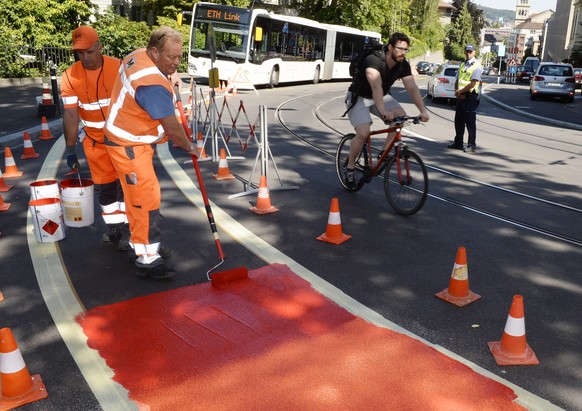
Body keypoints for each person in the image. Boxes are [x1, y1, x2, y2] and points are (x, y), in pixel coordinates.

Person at [104, 26, 197, 279]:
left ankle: (138, 245)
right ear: (154, 52)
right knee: (146, 200)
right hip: (129, 146)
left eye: (179, 57)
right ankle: (148, 260)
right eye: (171, 57)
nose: (176, 63)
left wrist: (169, 74)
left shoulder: (137, 55)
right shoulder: (152, 85)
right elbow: (172, 128)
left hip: (125, 139)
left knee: (136, 198)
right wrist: (190, 147)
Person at [61, 26, 130, 249]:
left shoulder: (118, 67)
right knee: (106, 189)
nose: (85, 57)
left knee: (127, 186)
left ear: (100, 47)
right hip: (95, 144)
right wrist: (70, 149)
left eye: (89, 51)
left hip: (122, 141)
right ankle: (115, 230)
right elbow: (71, 113)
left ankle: (131, 232)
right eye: (80, 53)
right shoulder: (70, 76)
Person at [345, 32, 429, 189]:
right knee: (363, 133)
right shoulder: (374, 60)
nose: (403, 53)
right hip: (360, 97)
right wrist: (383, 111)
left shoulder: (402, 64)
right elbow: (376, 86)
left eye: (405, 49)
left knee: (400, 117)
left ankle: (382, 154)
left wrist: (423, 110)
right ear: (390, 47)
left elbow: (411, 87)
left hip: (382, 96)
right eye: (399, 49)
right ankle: (350, 168)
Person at [447, 44, 483, 153]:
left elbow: (472, 84)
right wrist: (457, 92)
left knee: (470, 122)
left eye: (470, 51)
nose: (468, 53)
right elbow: (458, 79)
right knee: (458, 121)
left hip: (470, 97)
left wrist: (460, 92)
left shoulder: (477, 66)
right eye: (467, 51)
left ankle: (471, 145)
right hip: (461, 96)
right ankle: (458, 142)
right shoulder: (463, 64)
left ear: (474, 52)